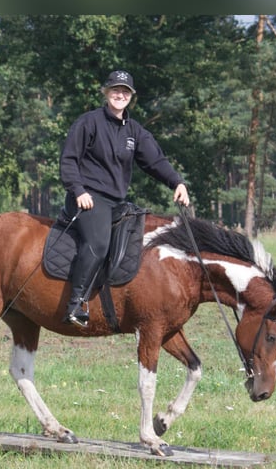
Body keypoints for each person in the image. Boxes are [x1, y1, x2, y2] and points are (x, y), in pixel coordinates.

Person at [59, 69, 190, 327]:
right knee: (98, 244)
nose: (120, 95)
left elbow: (155, 161)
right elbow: (69, 160)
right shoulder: (88, 122)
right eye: (116, 90)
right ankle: (75, 303)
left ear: (131, 96)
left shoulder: (134, 131)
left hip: (116, 202)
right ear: (106, 92)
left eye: (125, 91)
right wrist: (78, 190)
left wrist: (177, 182)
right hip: (88, 198)